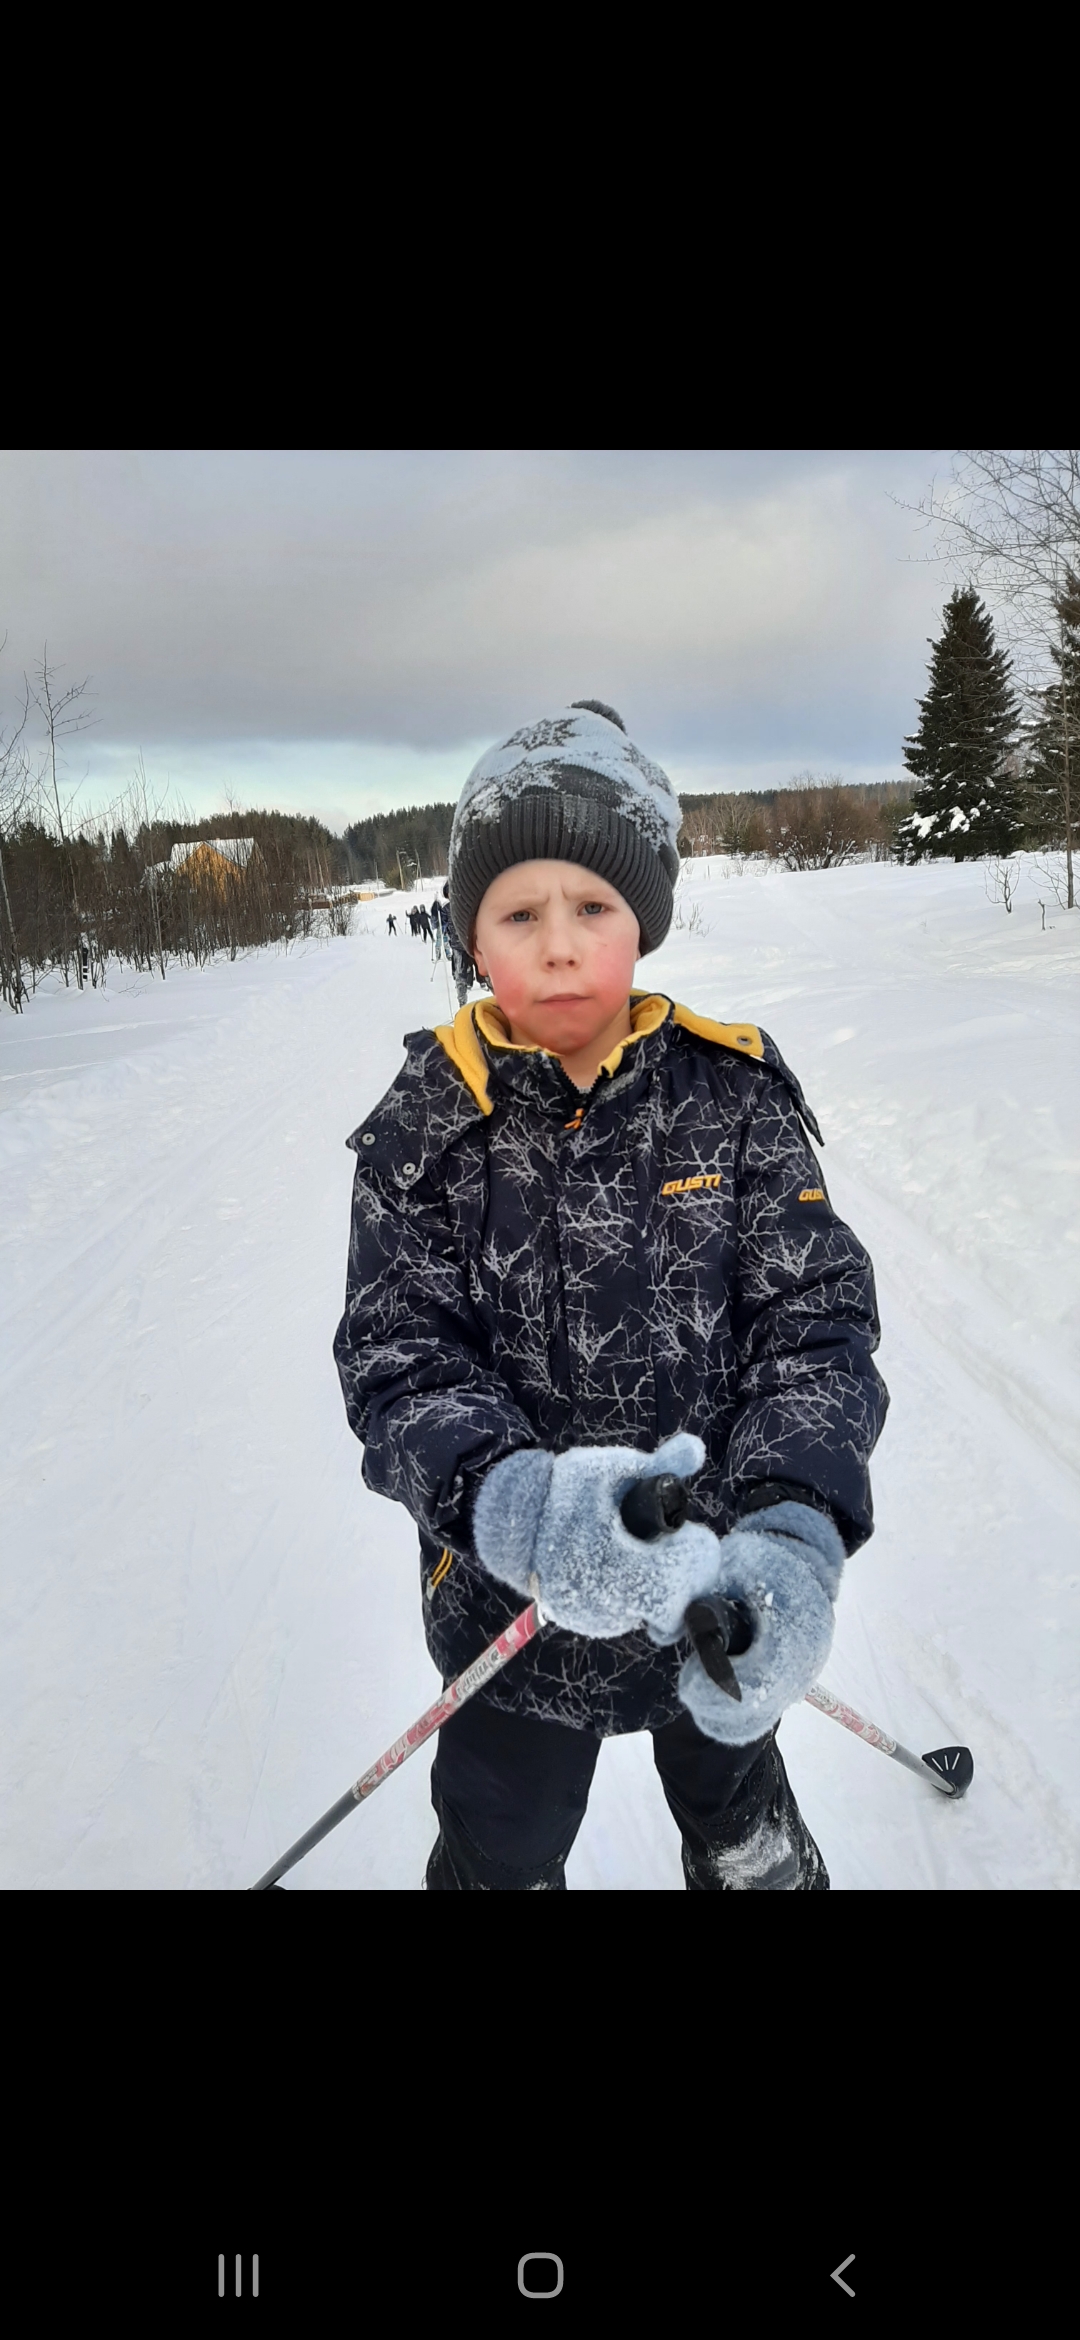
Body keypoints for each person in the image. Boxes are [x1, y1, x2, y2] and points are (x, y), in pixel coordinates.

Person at [335, 701, 888, 1889]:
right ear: (471, 937)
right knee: (500, 1838)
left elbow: (814, 1327)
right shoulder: (427, 1129)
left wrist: (795, 1530)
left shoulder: (733, 1098)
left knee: (736, 1812)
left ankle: (750, 1851)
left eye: (592, 907)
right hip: (511, 1616)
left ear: (644, 921)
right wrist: (520, 1508)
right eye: (518, 913)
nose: (559, 946)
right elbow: (397, 1358)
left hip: (716, 1592)